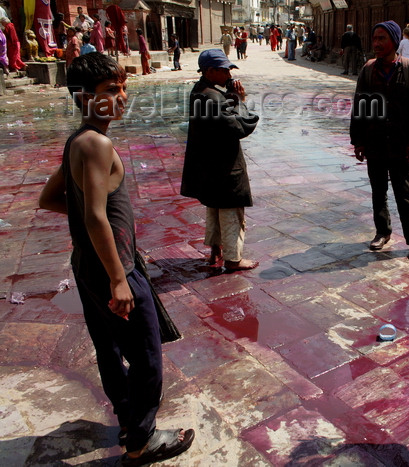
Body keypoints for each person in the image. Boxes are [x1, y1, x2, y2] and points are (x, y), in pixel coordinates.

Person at [38, 52, 195, 466]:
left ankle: (128, 420)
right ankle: (142, 441)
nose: (122, 97)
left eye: (124, 87)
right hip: (112, 268)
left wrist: (92, 230)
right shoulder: (96, 143)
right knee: (146, 357)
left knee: (108, 348)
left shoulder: (79, 140)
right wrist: (119, 278)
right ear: (84, 97)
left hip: (88, 264)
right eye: (111, 91)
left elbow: (51, 198)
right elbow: (93, 215)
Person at [350, 20, 409, 263]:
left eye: (382, 38)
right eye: (375, 39)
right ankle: (382, 232)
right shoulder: (368, 70)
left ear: (395, 41)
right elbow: (360, 107)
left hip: (401, 145)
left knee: (405, 194)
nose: (377, 44)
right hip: (374, 143)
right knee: (378, 192)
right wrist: (358, 141)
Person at [181, 49, 260, 271]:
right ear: (210, 71)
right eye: (224, 70)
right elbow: (239, 126)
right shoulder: (212, 98)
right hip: (225, 167)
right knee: (231, 211)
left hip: (209, 166)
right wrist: (240, 102)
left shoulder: (200, 92)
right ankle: (233, 258)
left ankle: (215, 250)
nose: (228, 75)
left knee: (214, 206)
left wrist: (231, 98)